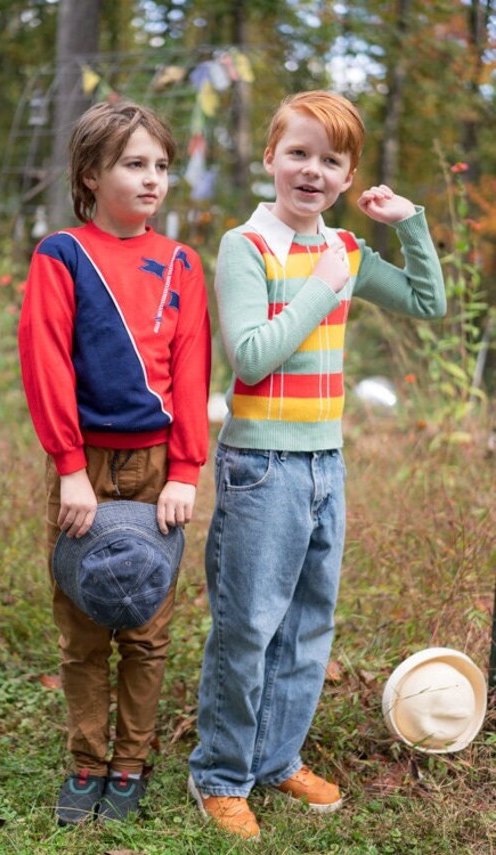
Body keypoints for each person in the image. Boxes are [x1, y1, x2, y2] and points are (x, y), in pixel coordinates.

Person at [188, 90, 446, 841]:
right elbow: (252, 356)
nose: (311, 169)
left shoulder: (345, 249)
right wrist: (323, 285)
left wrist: (412, 226)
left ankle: (277, 758)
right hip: (261, 468)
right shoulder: (247, 245)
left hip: (325, 466)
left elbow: (427, 304)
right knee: (248, 627)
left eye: (330, 160)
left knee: (307, 627)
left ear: (347, 177)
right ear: (269, 157)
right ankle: (222, 775)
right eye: (298, 152)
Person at [18, 100, 211, 826]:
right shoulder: (61, 254)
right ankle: (86, 759)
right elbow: (45, 361)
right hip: (85, 465)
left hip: (157, 466)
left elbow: (192, 370)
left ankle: (130, 761)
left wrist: (188, 469)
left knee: (145, 622)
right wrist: (70, 465)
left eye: (161, 165)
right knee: (83, 621)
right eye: (135, 164)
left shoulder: (182, 263)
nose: (153, 178)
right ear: (92, 174)